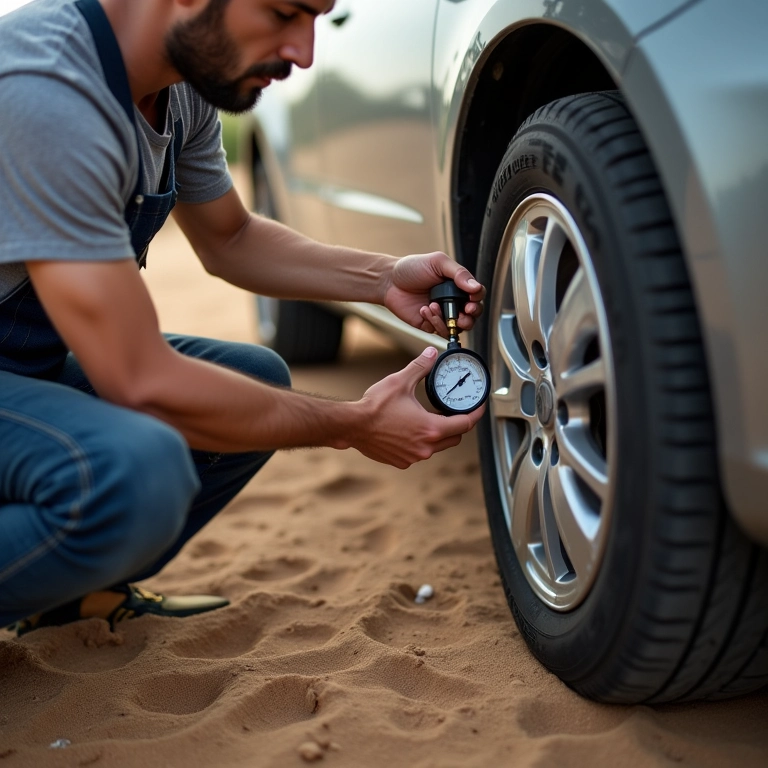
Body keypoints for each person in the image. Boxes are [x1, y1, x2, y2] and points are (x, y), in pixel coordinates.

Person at [0, 0, 485, 636]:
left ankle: (62, 594)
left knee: (255, 379)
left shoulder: (181, 91)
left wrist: (382, 277)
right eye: (286, 13)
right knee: (133, 470)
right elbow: (140, 380)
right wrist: (353, 424)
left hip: (20, 367)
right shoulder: (47, 93)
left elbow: (230, 239)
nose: (304, 52)